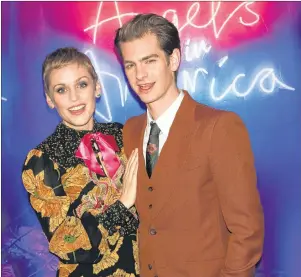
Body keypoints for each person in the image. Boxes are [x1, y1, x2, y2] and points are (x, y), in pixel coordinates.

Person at [114, 14, 265, 277]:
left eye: (149, 61)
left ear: (173, 59)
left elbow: (247, 230)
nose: (140, 75)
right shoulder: (130, 131)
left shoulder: (219, 127)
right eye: (130, 65)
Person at [21, 47, 140, 277]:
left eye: (82, 84)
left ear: (97, 87)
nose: (74, 97)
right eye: (62, 90)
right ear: (50, 99)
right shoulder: (41, 161)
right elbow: (66, 243)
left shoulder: (122, 134)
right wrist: (122, 205)